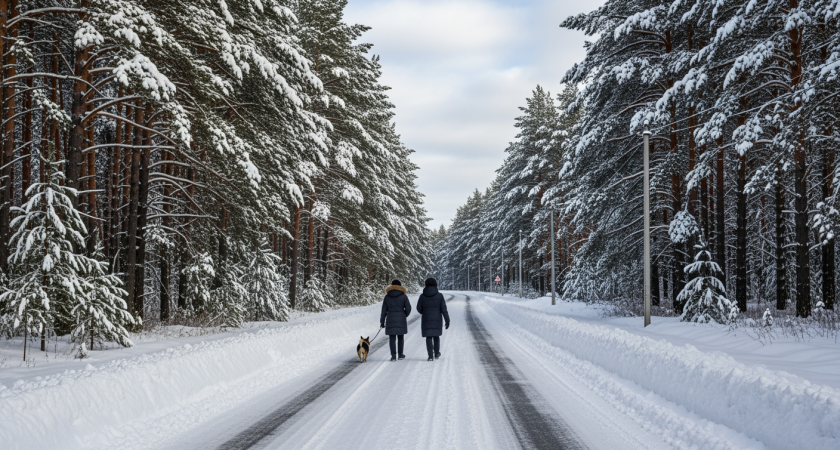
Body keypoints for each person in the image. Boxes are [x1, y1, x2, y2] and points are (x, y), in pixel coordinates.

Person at [416, 277, 450, 361]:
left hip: (426, 319)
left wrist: (424, 312)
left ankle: (430, 356)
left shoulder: (422, 296)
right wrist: (447, 320)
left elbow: (418, 308)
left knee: (428, 337)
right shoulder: (439, 296)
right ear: (435, 285)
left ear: (426, 285)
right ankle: (437, 353)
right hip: (437, 319)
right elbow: (444, 309)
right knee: (436, 336)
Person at [380, 279, 411, 361]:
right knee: (401, 337)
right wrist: (404, 314)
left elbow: (383, 310)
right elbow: (408, 308)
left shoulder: (387, 297)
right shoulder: (404, 296)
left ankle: (393, 356)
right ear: (400, 286)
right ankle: (400, 354)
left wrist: (382, 321)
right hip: (401, 318)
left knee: (392, 338)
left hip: (390, 318)